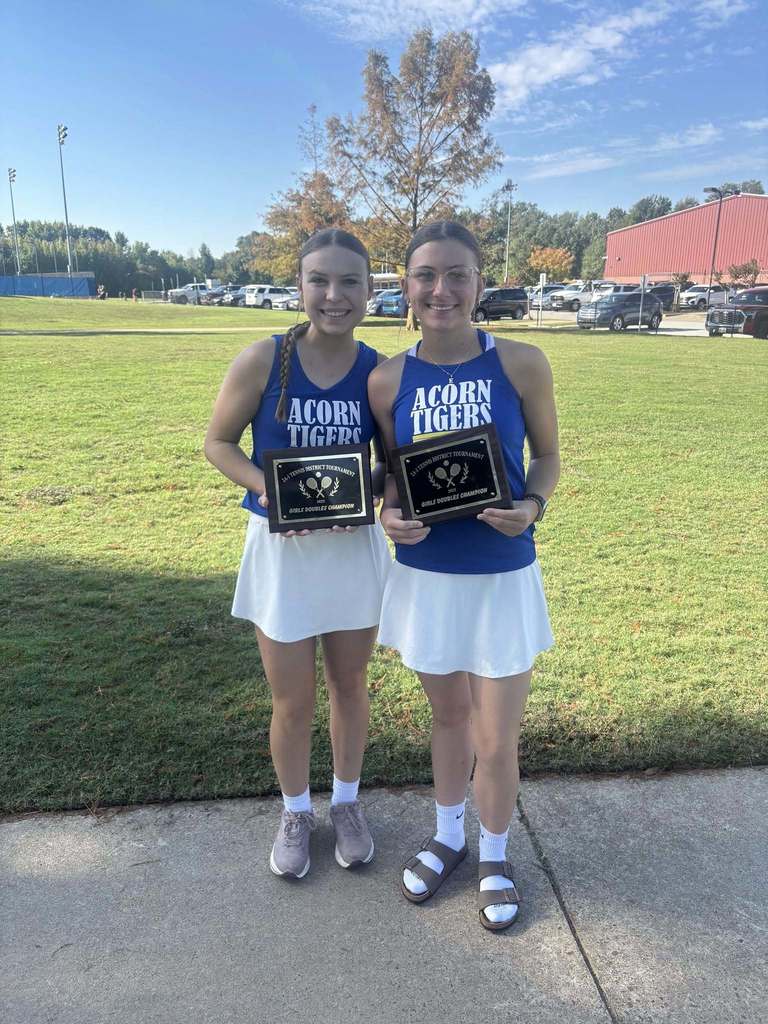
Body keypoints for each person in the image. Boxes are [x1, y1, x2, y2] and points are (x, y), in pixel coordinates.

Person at [368, 220, 560, 931]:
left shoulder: (522, 362)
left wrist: (533, 504)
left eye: (457, 275)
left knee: (495, 736)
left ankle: (495, 853)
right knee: (447, 718)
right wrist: (391, 514)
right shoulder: (387, 379)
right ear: (407, 286)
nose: (440, 290)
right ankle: (450, 835)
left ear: (481, 283)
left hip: (501, 573)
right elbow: (394, 474)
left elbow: (546, 458)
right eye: (426, 276)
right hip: (427, 575)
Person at [204, 228, 391, 880]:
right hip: (282, 554)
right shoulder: (264, 359)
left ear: (370, 290)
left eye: (349, 282)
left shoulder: (379, 372)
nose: (334, 295)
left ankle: (344, 802)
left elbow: (394, 471)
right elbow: (220, 445)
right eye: (320, 280)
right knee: (291, 700)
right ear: (300, 287)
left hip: (349, 551)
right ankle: (293, 811)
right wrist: (276, 493)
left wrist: (366, 494)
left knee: (348, 685)